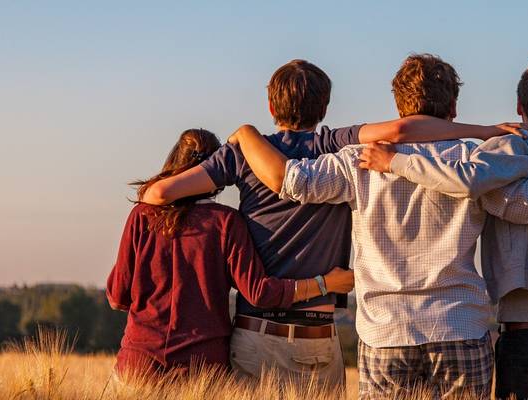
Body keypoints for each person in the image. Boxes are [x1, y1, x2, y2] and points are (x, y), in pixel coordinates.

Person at [229, 54, 528, 399]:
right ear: (454, 107)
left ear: (398, 106)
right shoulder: (474, 162)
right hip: (459, 328)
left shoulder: (359, 160)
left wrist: (246, 134)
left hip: (385, 333)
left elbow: (291, 181)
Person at [138, 59, 523, 389]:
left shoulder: (245, 154)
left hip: (260, 331)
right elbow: (402, 131)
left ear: (270, 105)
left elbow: (158, 196)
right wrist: (484, 131)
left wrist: (241, 139)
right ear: (324, 106)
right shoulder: (335, 145)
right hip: (322, 335)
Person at [359, 62, 528, 400]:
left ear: (519, 106)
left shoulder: (495, 163)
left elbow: (465, 180)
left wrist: (396, 162)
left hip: (523, 339)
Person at [105, 128, 355, 381]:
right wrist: (325, 283)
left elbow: (118, 297)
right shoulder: (226, 222)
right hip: (202, 369)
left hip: (138, 365)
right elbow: (260, 293)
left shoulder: (142, 216)